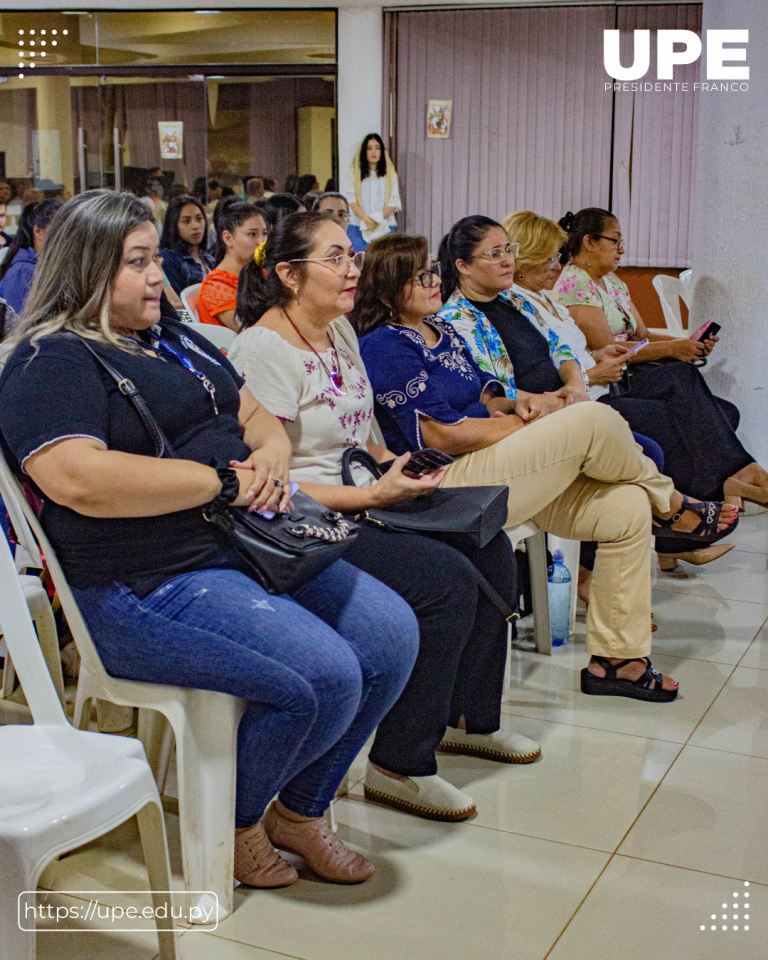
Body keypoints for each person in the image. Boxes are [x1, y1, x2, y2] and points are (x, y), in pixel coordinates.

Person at [0, 189, 419, 888]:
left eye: (153, 258)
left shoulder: (170, 335)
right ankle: (239, 819)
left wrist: (271, 454)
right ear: (87, 270)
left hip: (243, 543)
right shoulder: (50, 360)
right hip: (142, 583)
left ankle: (300, 810)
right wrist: (218, 482)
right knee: (325, 675)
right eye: (136, 263)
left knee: (391, 636)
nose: (157, 276)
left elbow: (253, 411)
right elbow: (77, 478)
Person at [229, 213, 538, 822]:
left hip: (369, 496)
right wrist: (373, 498)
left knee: (489, 544)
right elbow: (271, 478)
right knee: (441, 581)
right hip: (305, 519)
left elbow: (364, 436)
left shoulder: (338, 330)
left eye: (353, 257)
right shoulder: (264, 348)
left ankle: (471, 720)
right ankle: (400, 764)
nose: (354, 271)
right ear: (290, 276)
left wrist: (402, 468)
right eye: (337, 259)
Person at [356, 232, 742, 705]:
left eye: (432, 271)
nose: (434, 281)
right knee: (594, 418)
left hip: (493, 461)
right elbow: (441, 434)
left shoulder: (443, 331)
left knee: (625, 507)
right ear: (388, 288)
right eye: (420, 277)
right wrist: (523, 425)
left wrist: (528, 405)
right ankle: (675, 504)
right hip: (446, 482)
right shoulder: (385, 345)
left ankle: (618, 662)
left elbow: (487, 394)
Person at [555, 207, 768, 509]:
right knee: (682, 380)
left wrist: (686, 343)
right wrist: (671, 351)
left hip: (639, 373)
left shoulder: (613, 283)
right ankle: (734, 477)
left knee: (726, 412)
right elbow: (609, 349)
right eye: (614, 241)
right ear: (589, 242)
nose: (622, 250)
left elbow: (642, 335)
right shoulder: (574, 283)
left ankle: (702, 498)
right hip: (612, 380)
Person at [198, 202, 266, 330]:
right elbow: (252, 331)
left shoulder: (261, 273)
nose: (261, 241)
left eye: (264, 233)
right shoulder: (216, 285)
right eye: (252, 234)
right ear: (228, 238)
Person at [0, 198, 63, 314]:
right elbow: (19, 326)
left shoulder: (49, 266)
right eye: (59, 229)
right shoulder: (23, 272)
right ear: (38, 232)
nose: (66, 236)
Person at [343, 133, 401, 252]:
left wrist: (375, 220)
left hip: (383, 226)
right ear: (364, 152)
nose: (373, 152)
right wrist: (365, 219)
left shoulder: (390, 176)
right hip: (358, 227)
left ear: (382, 152)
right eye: (369, 148)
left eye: (377, 148)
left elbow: (392, 202)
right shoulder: (354, 174)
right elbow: (351, 200)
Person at [158, 195, 214, 296]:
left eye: (199, 219)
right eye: (186, 221)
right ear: (174, 225)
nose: (196, 226)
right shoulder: (168, 259)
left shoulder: (209, 259)